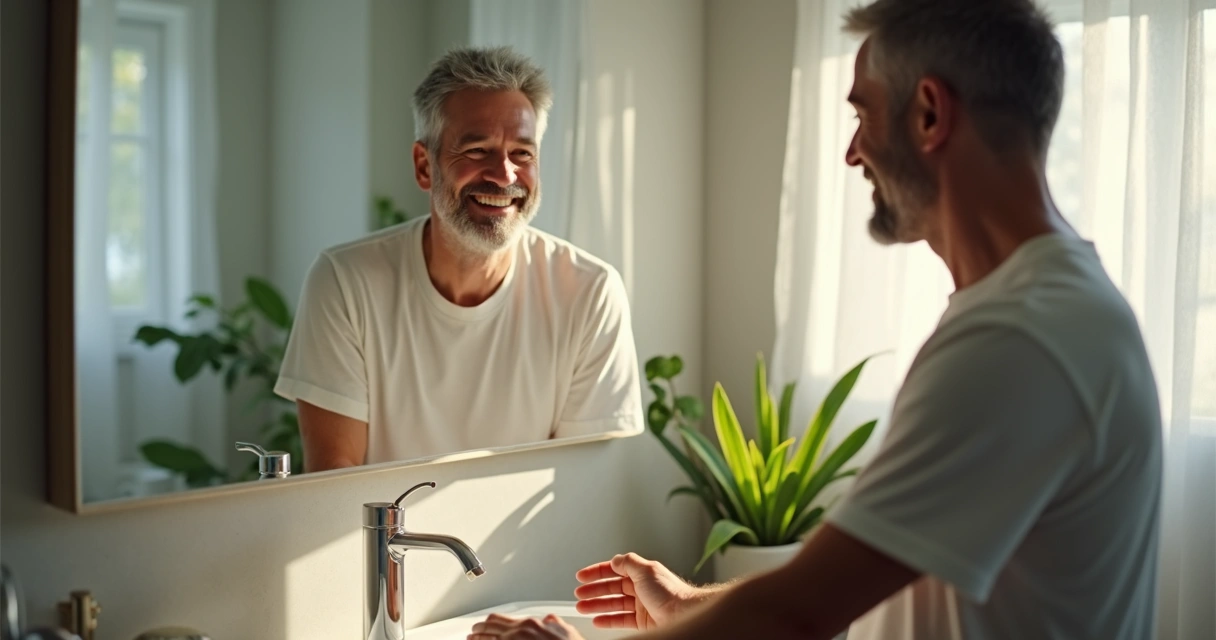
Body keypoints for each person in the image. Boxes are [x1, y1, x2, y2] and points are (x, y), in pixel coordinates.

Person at [469, 1, 1163, 638]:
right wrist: (685, 607)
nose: (852, 153)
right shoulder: (1053, 310)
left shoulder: (1018, 341)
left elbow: (795, 615)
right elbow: (861, 579)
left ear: (929, 114)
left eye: (863, 115)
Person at [274, 47, 643, 471]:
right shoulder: (344, 282)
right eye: (477, 150)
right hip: (384, 540)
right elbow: (333, 484)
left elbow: (578, 489)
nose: (504, 175)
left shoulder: (590, 292)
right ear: (424, 166)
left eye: (523, 153)